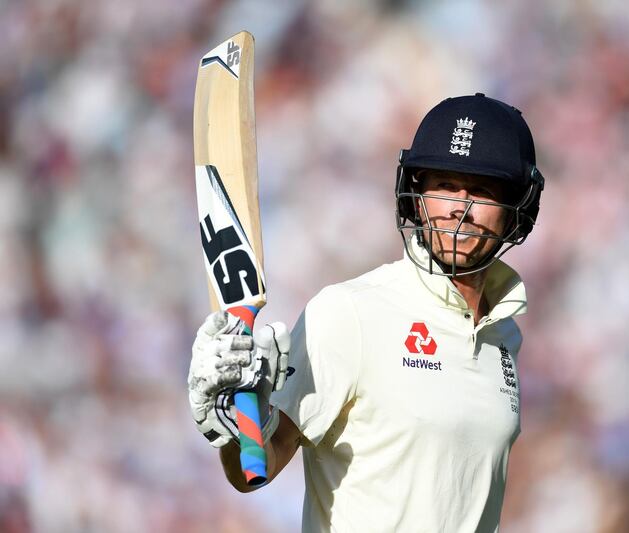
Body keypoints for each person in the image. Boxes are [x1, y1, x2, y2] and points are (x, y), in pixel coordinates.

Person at [188, 93, 545, 532]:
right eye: (445, 186)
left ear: (517, 212)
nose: (459, 208)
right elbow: (252, 469)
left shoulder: (503, 337)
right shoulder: (350, 312)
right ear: (416, 196)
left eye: (483, 190)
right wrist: (235, 426)